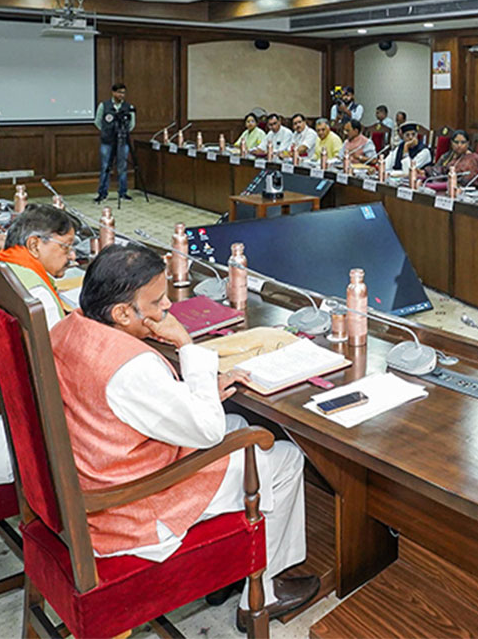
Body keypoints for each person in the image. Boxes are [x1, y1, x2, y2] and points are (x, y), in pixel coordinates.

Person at [48, 245, 317, 625]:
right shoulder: (131, 367)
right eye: (157, 302)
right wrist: (186, 343)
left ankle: (231, 567)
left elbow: (130, 402)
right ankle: (262, 591)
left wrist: (204, 389)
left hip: (95, 465)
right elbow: (206, 431)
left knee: (237, 426)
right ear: (122, 313)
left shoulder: (68, 327)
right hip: (129, 506)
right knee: (284, 457)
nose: (166, 310)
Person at [0, 204, 76, 488]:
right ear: (34, 244)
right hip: (2, 437)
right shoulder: (34, 294)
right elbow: (63, 370)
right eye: (66, 247)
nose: (71, 256)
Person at [94, 82, 135, 203]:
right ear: (113, 93)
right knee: (105, 166)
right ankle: (102, 193)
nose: (122, 95)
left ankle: (123, 192)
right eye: (119, 92)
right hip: (107, 141)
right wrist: (107, 131)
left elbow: (132, 124)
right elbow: (97, 121)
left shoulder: (128, 106)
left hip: (122, 142)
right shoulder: (104, 105)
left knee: (122, 167)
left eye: (123, 92)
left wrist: (123, 132)